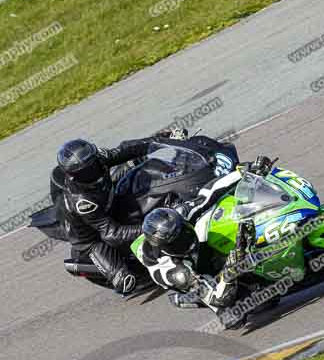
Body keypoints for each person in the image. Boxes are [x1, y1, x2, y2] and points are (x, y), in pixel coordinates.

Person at [138, 156, 274, 322]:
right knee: (233, 316)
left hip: (190, 249)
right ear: (166, 247)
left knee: (219, 211)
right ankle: (194, 300)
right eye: (179, 241)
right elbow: (218, 297)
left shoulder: (181, 215)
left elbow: (209, 192)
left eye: (184, 232)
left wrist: (246, 170)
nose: (185, 239)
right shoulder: (175, 271)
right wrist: (230, 271)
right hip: (190, 276)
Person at [54, 135, 168, 294]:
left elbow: (126, 148)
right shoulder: (82, 201)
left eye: (93, 162)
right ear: (74, 176)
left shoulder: (98, 159)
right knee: (126, 282)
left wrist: (163, 139)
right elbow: (112, 234)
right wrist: (151, 228)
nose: (94, 168)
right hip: (93, 239)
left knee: (138, 164)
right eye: (87, 170)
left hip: (109, 199)